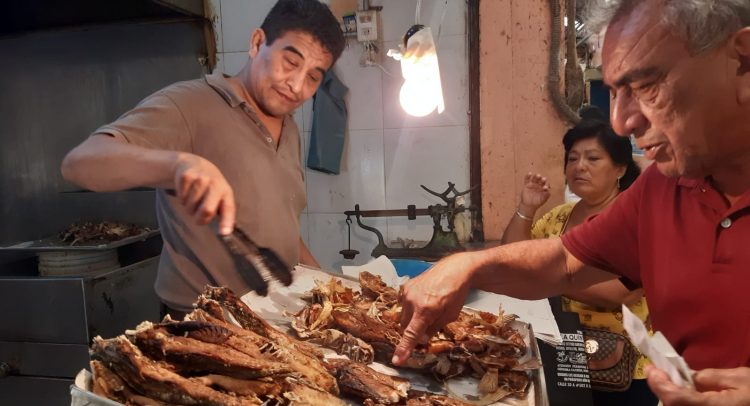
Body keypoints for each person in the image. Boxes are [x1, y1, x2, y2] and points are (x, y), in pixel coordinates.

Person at [393, 1, 750, 405]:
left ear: (743, 62)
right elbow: (563, 264)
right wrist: (466, 265)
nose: (622, 122)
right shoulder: (663, 188)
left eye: (647, 86)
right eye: (616, 93)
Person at [61, 0, 345, 318]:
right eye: (290, 62)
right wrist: (178, 165)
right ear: (256, 43)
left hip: (273, 320)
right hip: (200, 325)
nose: (296, 86)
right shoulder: (190, 104)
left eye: (313, 77)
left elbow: (282, 228)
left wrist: (330, 287)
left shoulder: (289, 128)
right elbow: (80, 163)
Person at [502, 108, 655, 405]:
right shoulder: (561, 215)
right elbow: (514, 255)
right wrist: (527, 208)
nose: (579, 167)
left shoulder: (637, 217)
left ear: (620, 168)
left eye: (593, 158)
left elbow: (618, 292)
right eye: (573, 158)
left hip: (624, 363)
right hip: (567, 350)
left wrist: (547, 281)